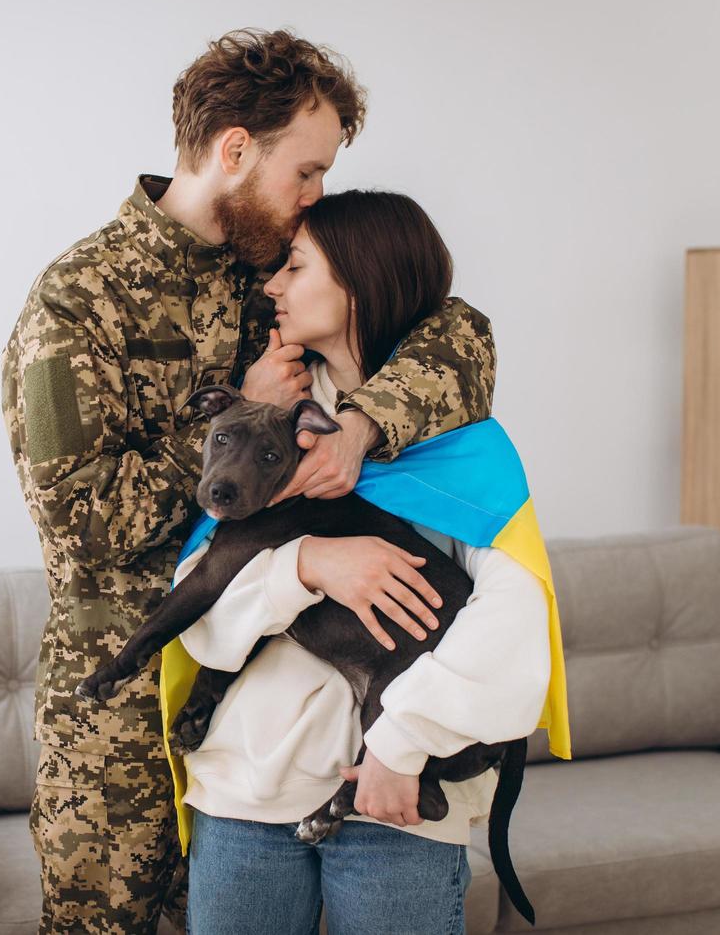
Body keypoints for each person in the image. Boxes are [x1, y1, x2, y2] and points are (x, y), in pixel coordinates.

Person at [0, 29, 498, 934]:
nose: (316, 195)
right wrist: (227, 421)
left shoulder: (270, 272)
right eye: (304, 172)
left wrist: (361, 423)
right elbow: (82, 523)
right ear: (235, 150)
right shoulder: (76, 300)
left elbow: (458, 331)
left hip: (259, 708)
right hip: (121, 714)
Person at [175, 190, 552, 935]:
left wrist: (399, 747)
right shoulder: (262, 430)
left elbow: (514, 614)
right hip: (244, 794)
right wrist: (310, 564)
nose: (273, 285)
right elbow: (202, 619)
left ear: (357, 283)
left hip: (396, 800)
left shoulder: (462, 446)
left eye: (296, 266)